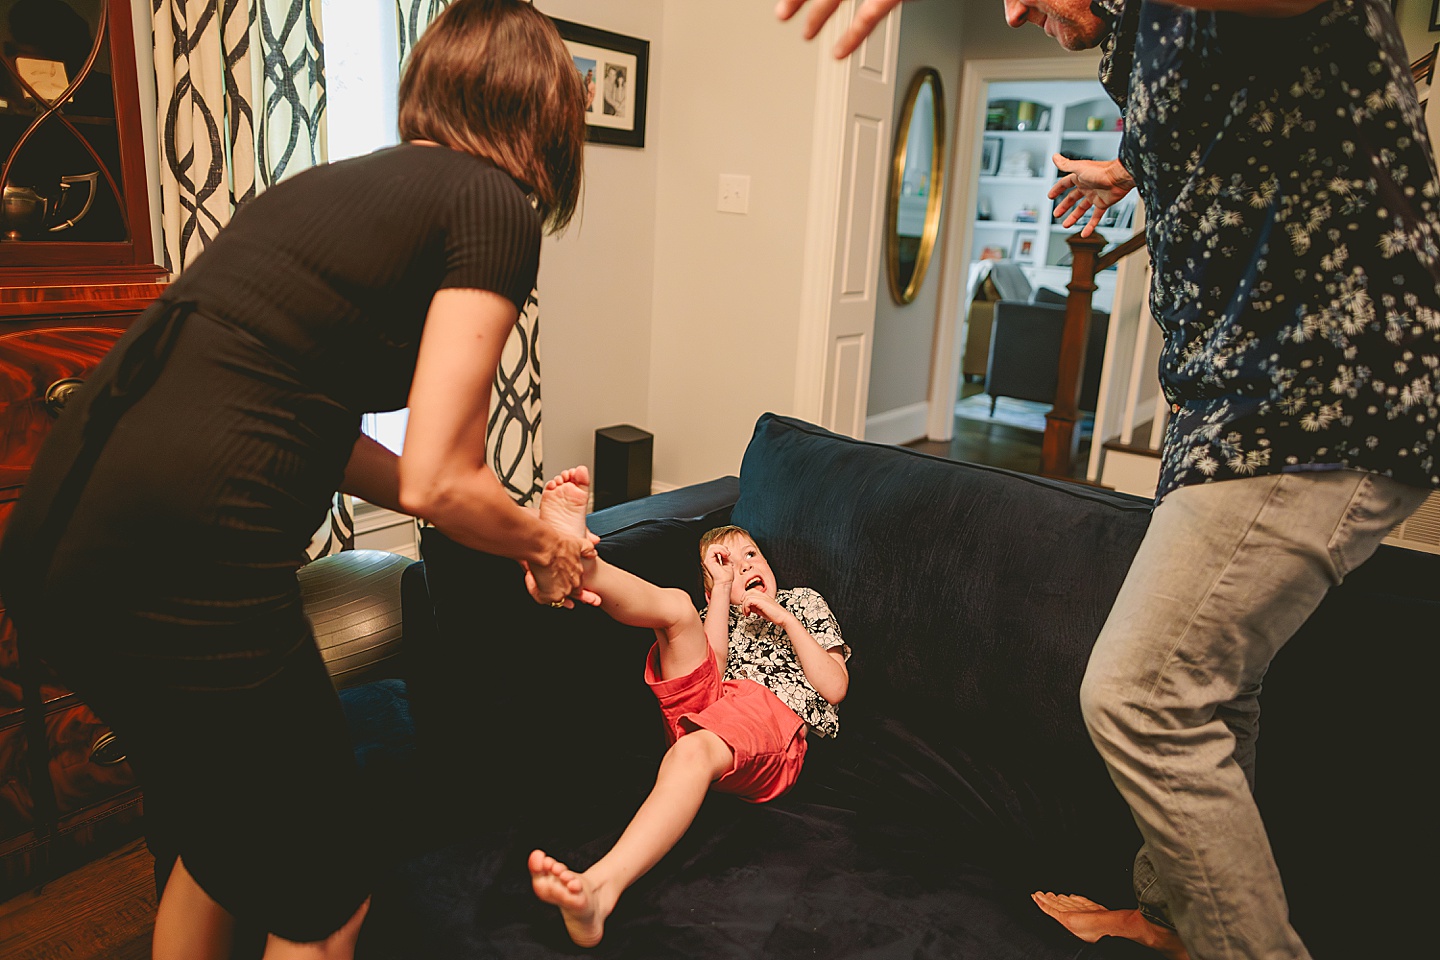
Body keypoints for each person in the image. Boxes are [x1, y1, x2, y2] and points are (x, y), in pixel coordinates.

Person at [778, 1, 1440, 958]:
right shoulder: (1146, 44)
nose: (1010, 9)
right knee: (1217, 690)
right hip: (1229, 412)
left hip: (1319, 399)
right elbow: (1258, 103)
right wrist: (1138, 165)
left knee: (1140, 696)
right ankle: (1170, 921)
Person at [0, 2, 595, 958]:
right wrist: (544, 542)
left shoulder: (334, 195)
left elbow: (356, 453)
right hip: (187, 562)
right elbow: (447, 476)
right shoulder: (492, 203)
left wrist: (519, 521)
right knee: (325, 897)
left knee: (222, 839)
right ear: (546, 118)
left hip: (60, 539)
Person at [525, 467, 850, 948]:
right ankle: (575, 563)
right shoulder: (714, 614)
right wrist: (720, 594)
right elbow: (712, 670)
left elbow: (835, 686)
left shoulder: (802, 603)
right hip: (712, 709)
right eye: (725, 565)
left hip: (769, 720)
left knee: (691, 753)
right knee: (675, 609)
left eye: (750, 556)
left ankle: (599, 887)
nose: (743, 567)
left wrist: (782, 617)